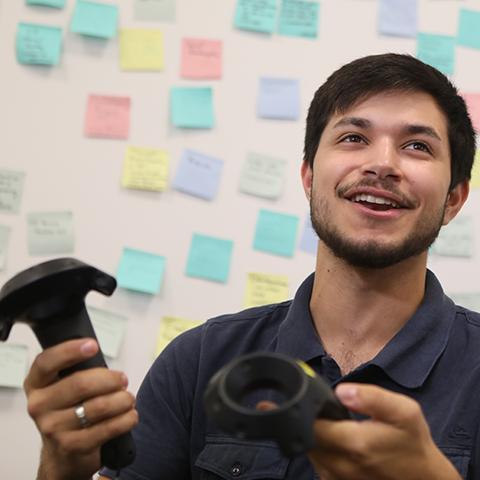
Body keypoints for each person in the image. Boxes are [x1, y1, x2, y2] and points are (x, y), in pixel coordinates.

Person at [23, 53, 480, 480]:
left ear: (453, 199)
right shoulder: (199, 359)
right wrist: (60, 469)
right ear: (308, 177)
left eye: (417, 146)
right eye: (353, 138)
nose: (382, 164)